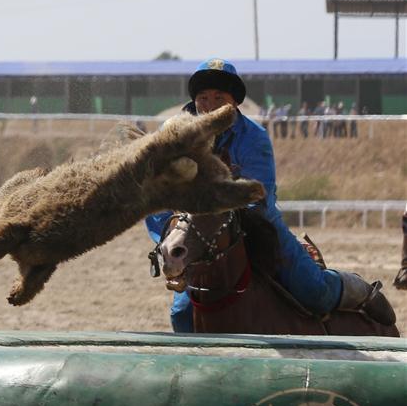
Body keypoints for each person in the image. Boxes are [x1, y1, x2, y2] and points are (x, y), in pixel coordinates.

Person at [145, 58, 395, 332]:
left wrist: (218, 212)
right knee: (182, 313)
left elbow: (258, 197)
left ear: (234, 103)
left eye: (219, 97)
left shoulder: (254, 137)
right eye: (203, 97)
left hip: (256, 228)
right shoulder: (174, 137)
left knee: (313, 291)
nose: (210, 104)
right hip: (196, 237)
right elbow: (156, 196)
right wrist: (170, 233)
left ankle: (358, 290)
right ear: (194, 101)